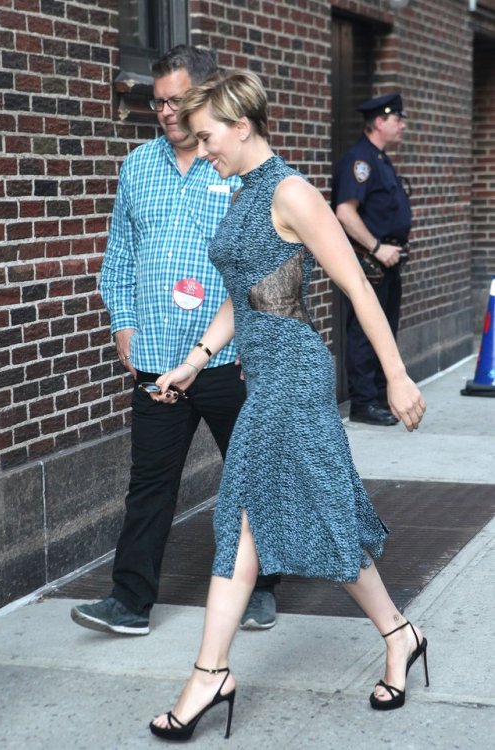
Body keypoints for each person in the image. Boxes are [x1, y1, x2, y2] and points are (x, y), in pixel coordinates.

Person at [147, 71, 428, 741]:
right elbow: (239, 296)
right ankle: (400, 632)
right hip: (263, 372)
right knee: (311, 509)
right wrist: (193, 360)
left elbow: (357, 286)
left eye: (209, 135)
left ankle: (210, 673)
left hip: (294, 376)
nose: (203, 147)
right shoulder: (242, 193)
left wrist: (396, 376)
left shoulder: (292, 192)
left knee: (245, 513)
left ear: (243, 125)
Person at [70, 46, 279, 637]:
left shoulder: (236, 167)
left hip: (228, 359)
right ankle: (130, 602)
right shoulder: (136, 167)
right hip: (158, 360)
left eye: (175, 100)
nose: (164, 111)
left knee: (248, 477)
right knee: (149, 485)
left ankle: (260, 587)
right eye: (155, 101)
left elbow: (262, 269)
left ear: (206, 95)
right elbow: (118, 260)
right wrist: (123, 324)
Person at [332, 92, 412, 426]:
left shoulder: (380, 158)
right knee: (366, 333)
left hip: (389, 261)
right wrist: (377, 248)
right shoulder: (360, 160)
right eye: (398, 119)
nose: (402, 125)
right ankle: (364, 403)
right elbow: (344, 213)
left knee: (385, 329)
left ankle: (381, 397)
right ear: (380, 122)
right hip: (371, 261)